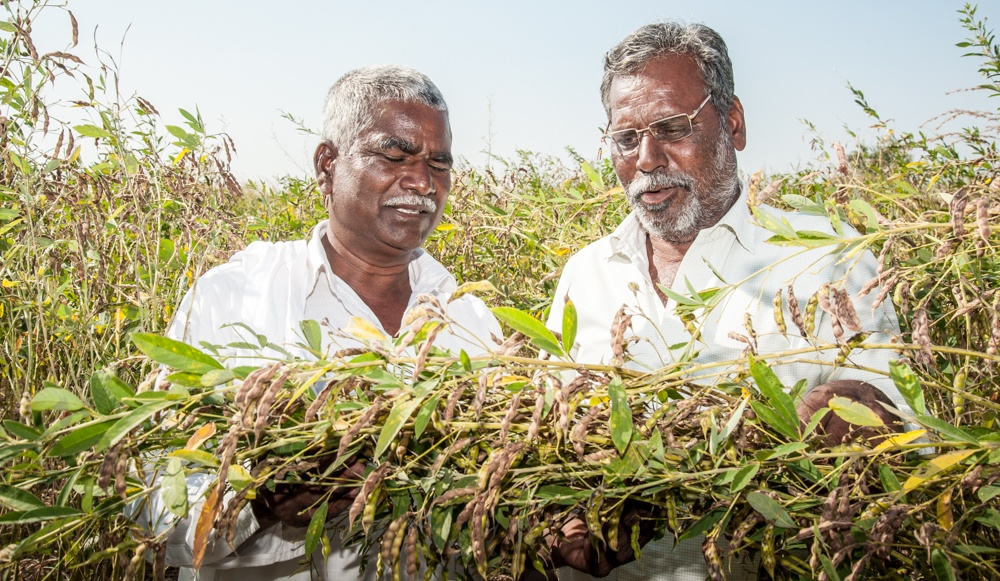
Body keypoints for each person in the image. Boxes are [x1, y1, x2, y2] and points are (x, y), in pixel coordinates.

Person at [545, 22, 907, 581]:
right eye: (625, 138)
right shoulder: (584, 274)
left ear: (732, 122)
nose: (646, 159)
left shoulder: (827, 261)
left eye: (671, 128)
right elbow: (544, 442)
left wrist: (869, 430)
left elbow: (915, 446)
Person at [126, 65, 502, 581]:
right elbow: (149, 503)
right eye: (394, 156)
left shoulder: (469, 317)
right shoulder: (232, 299)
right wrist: (259, 501)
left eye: (438, 164)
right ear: (327, 164)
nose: (420, 182)